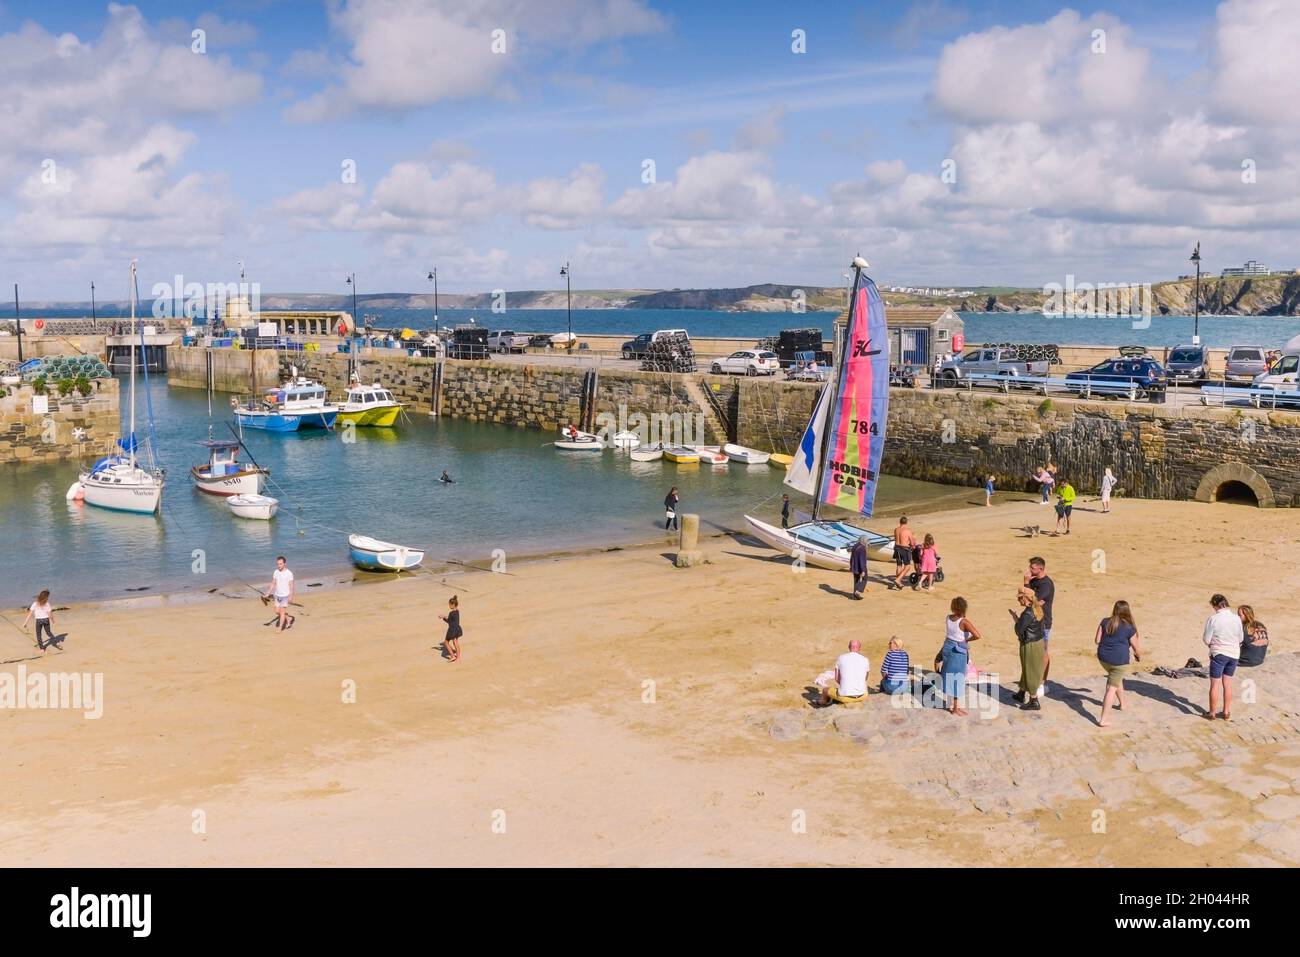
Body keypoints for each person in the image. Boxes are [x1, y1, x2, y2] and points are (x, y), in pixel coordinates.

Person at [1094, 599, 1143, 726]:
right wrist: (1138, 656)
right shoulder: (1129, 628)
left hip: (1103, 658)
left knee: (1116, 678)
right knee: (1111, 688)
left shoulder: (1105, 622)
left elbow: (1097, 640)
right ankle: (1103, 719)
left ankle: (1123, 704)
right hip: (1119, 660)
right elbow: (1136, 647)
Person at [940, 597, 982, 716]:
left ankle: (951, 704)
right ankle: (955, 708)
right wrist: (966, 640)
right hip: (957, 651)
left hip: (947, 646)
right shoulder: (964, 622)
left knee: (948, 675)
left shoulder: (948, 618)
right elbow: (978, 635)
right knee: (958, 678)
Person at [1202, 593, 1243, 719]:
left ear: (1215, 605)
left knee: (1215, 684)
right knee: (1227, 684)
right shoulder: (1236, 618)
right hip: (1234, 654)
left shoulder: (1213, 619)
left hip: (1219, 653)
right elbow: (1240, 638)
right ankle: (1226, 712)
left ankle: (1212, 713)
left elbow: (1206, 639)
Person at [1009, 588, 1047, 711]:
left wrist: (1015, 619)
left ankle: (1034, 700)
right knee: (1027, 668)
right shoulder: (1037, 608)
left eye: (1020, 597)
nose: (1018, 599)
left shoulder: (1028, 613)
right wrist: (1016, 617)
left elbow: (1019, 630)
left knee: (1030, 671)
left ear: (1026, 598)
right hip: (1037, 643)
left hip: (1030, 645)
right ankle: (1021, 693)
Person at [1023, 557, 1055, 694]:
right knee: (1032, 654)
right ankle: (1033, 680)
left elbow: (1032, 601)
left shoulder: (1046, 585)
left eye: (1033, 568)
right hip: (1033, 622)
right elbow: (1026, 597)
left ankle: (1042, 683)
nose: (1030, 570)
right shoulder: (1034, 580)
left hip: (1043, 623)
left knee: (1043, 652)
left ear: (1041, 569)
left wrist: (1025, 583)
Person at [817, 639, 870, 706]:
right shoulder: (865, 659)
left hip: (845, 697)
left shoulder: (841, 658)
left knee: (825, 690)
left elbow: (836, 678)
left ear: (849, 647)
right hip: (863, 696)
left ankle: (822, 702)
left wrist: (845, 685)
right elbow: (866, 677)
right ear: (859, 648)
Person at [263, 555, 295, 632]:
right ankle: (288, 618)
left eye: (280, 564)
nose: (279, 565)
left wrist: (291, 596)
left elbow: (291, 585)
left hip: (285, 595)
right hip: (277, 595)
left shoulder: (289, 573)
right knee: (277, 611)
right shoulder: (276, 572)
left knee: (282, 612)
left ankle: (280, 628)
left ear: (284, 564)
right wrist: (268, 593)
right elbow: (273, 583)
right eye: (278, 564)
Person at [891, 516, 916, 590]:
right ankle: (898, 580)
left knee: (899, 566)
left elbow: (896, 538)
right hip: (904, 549)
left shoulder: (896, 530)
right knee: (907, 567)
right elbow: (912, 543)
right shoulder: (908, 531)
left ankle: (898, 582)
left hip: (897, 548)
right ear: (906, 522)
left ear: (900, 522)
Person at [439, 595, 463, 661]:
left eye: (449, 605)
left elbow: (449, 621)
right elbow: (451, 619)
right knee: (455, 642)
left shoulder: (451, 613)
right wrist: (445, 617)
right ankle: (458, 657)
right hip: (457, 628)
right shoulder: (457, 611)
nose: (449, 606)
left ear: (453, 605)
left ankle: (453, 656)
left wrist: (443, 617)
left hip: (452, 629)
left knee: (446, 642)